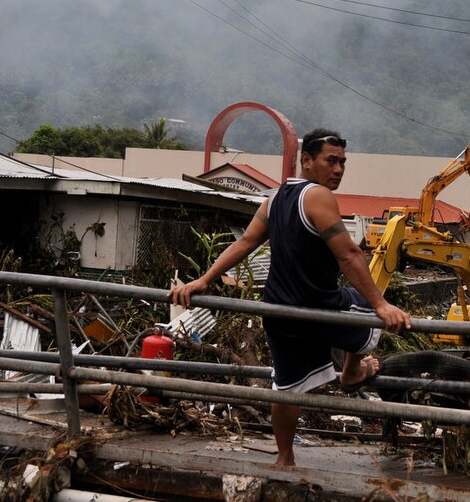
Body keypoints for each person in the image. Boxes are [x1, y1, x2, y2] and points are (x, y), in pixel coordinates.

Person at [168, 128, 411, 466]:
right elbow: (349, 255)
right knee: (366, 304)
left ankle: (285, 458)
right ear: (307, 161)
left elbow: (245, 242)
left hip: (280, 315)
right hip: (317, 310)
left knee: (287, 390)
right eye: (331, 160)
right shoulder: (318, 196)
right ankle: (352, 373)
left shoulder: (275, 200)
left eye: (342, 162)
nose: (338, 169)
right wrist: (383, 304)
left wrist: (204, 280)